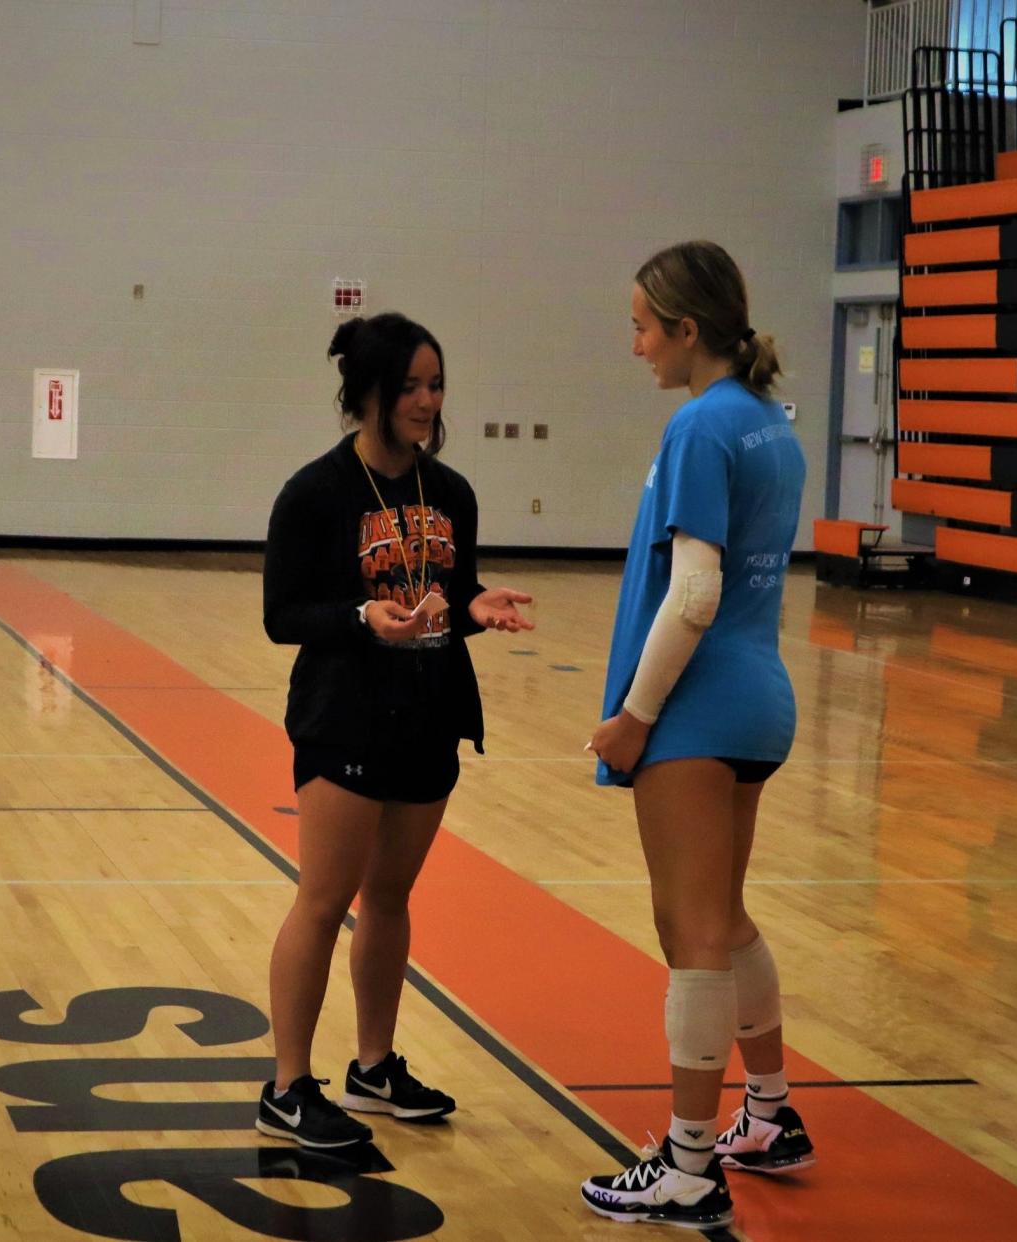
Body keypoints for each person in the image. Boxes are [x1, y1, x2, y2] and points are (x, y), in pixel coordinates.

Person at [257, 311, 533, 1149]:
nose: (426, 400)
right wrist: (360, 617)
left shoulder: (450, 492)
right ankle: (287, 1085)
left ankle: (373, 1067)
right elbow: (281, 616)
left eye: (436, 384)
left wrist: (479, 609)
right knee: (324, 898)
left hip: (429, 717)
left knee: (390, 897)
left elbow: (459, 590)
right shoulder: (315, 493)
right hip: (342, 718)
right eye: (410, 386)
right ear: (369, 393)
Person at [581, 242, 814, 1227]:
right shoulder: (771, 424)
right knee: (724, 913)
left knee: (692, 936)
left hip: (698, 712)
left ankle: (686, 1164)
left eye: (642, 325)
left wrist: (636, 717)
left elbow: (697, 588)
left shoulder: (701, 426)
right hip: (761, 700)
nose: (635, 346)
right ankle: (766, 1115)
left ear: (686, 329)